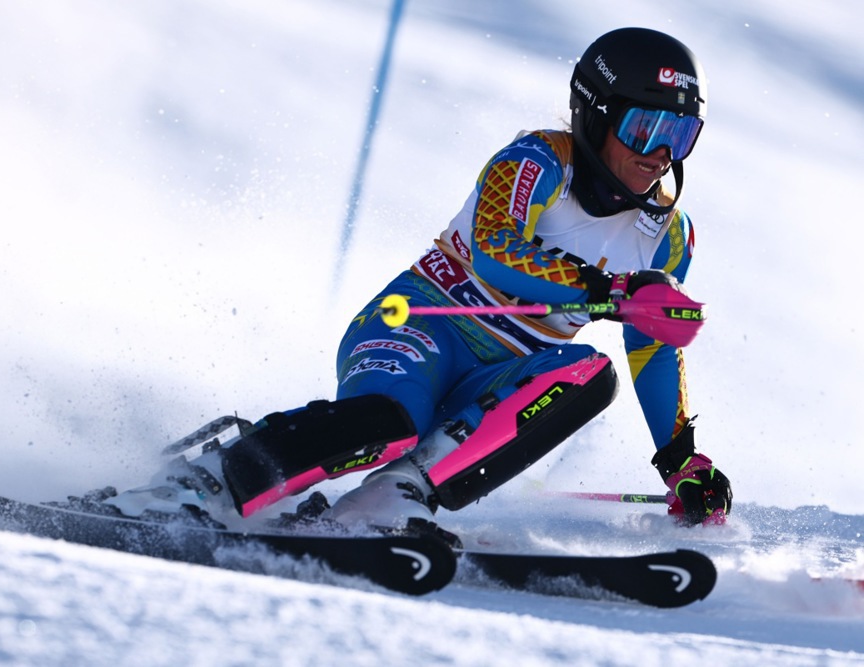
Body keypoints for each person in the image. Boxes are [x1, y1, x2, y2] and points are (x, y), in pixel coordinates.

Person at [122, 27, 733, 535]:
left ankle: (390, 499)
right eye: (646, 129)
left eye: (680, 135)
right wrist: (606, 292)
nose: (660, 155)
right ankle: (205, 481)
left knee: (588, 376)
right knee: (389, 424)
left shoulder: (668, 235)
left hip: (502, 375)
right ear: (595, 118)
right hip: (423, 327)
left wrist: (680, 460)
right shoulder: (537, 162)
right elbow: (496, 251)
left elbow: (650, 346)